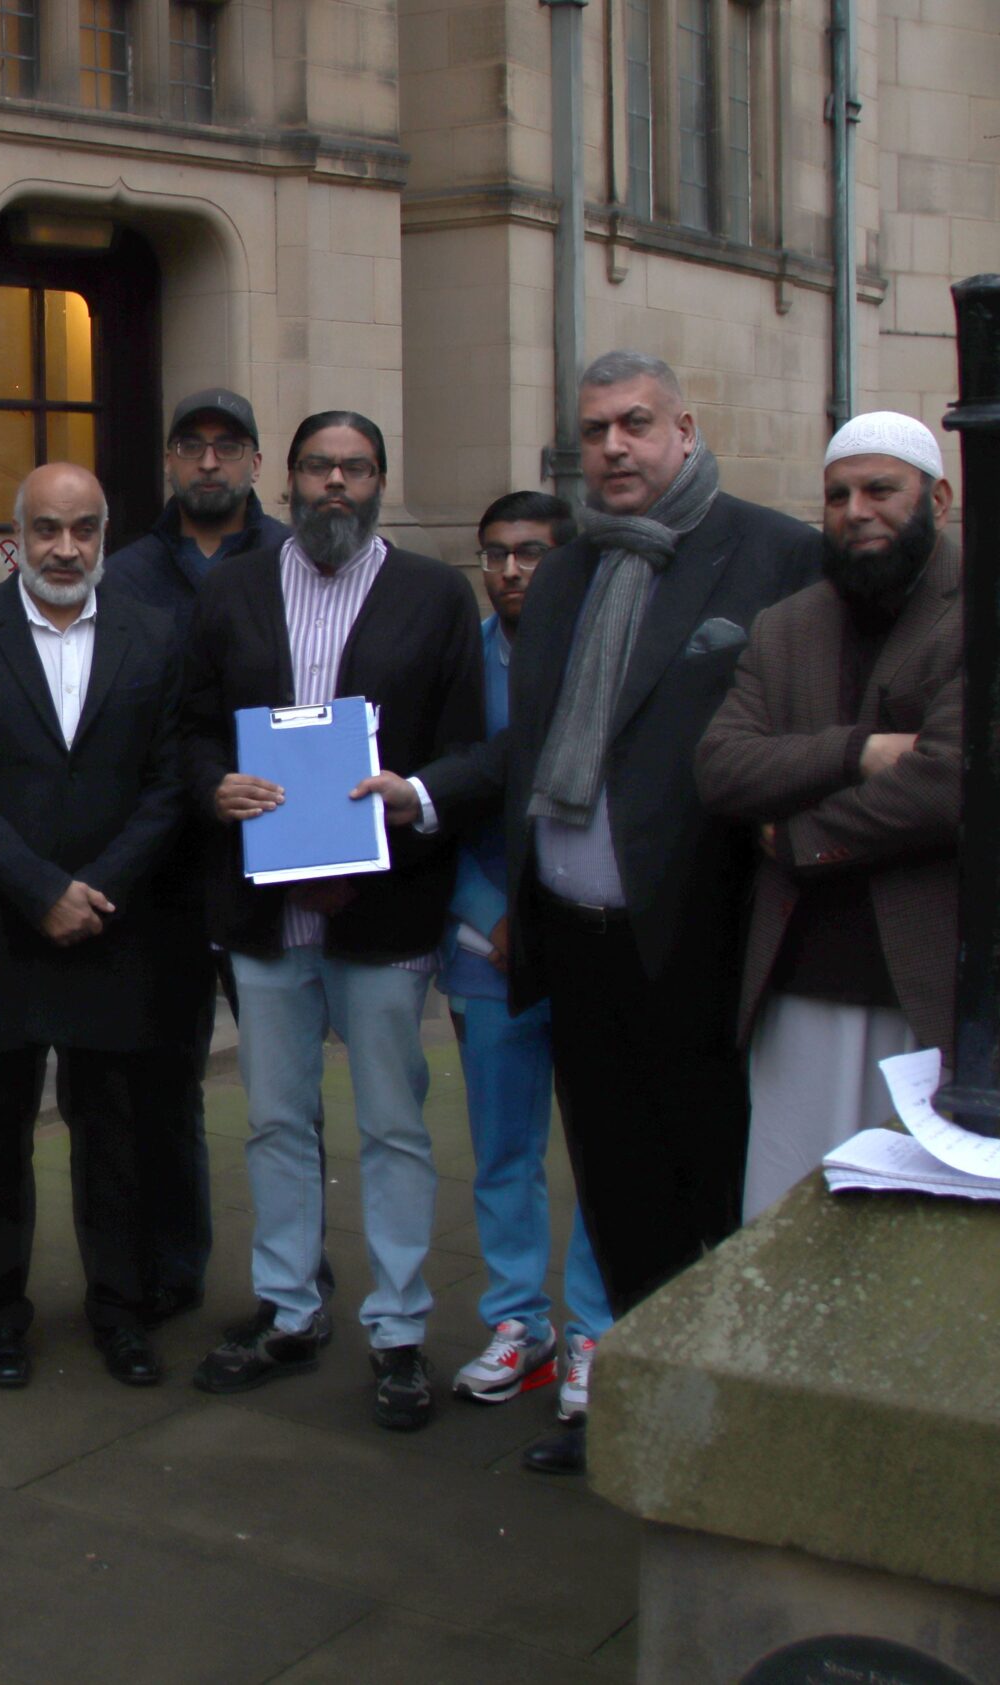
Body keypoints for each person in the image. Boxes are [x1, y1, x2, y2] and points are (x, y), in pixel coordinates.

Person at [364, 350, 820, 1469]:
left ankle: (724, 1420)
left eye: (634, 425)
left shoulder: (771, 556)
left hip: (692, 942)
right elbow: (536, 743)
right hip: (573, 940)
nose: (611, 448)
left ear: (684, 427)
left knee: (708, 1186)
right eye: (593, 432)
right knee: (613, 1189)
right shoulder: (565, 575)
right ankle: (626, 1402)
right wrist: (424, 793)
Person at [180, 411, 484, 1432]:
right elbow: (186, 727)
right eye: (317, 467)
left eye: (353, 468)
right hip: (264, 910)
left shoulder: (436, 594)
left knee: (394, 1124)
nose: (334, 486)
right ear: (290, 479)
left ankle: (398, 1327)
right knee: (274, 1117)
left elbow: (472, 749)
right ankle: (290, 1306)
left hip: (382, 906)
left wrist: (415, 797)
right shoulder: (230, 587)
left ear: (379, 481)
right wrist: (212, 785)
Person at [0, 462, 188, 1387]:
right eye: (45, 530)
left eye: (83, 529)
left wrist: (95, 888)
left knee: (113, 1135)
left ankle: (119, 1308)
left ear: (105, 534)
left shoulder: (157, 635)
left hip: (113, 929)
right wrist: (40, 889)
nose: (64, 549)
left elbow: (168, 784)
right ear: (15, 537)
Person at [696, 410, 962, 1218]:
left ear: (938, 499)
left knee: (906, 1237)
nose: (857, 511)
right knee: (786, 1215)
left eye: (882, 489)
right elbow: (722, 767)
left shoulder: (985, 614)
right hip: (800, 977)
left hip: (922, 985)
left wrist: (800, 831)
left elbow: (952, 782)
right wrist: (858, 751)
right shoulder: (786, 626)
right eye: (838, 494)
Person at [101, 387, 295, 1321]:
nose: (209, 461)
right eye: (191, 445)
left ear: (258, 462)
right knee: (163, 1079)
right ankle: (172, 1266)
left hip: (278, 855)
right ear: (170, 462)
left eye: (229, 445)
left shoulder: (298, 559)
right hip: (162, 867)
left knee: (287, 1087)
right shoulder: (125, 572)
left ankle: (297, 1283)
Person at [436, 492, 613, 1475]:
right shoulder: (459, 659)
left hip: (580, 936)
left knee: (593, 1143)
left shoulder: (600, 653)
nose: (510, 571)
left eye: (532, 554)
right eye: (496, 554)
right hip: (484, 944)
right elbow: (442, 797)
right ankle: (516, 1321)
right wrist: (486, 915)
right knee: (503, 1146)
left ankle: (591, 1323)